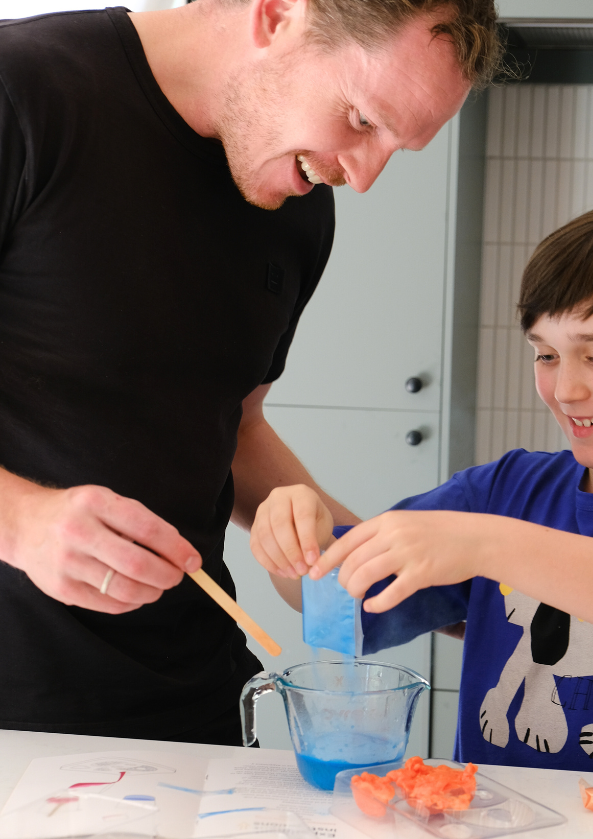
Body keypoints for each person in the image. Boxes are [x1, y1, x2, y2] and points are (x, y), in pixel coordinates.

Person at [0, 0, 500, 744]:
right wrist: (22, 522)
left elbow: (231, 425)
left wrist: (391, 571)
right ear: (276, 15)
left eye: (396, 147)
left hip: (197, 711)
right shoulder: (23, 93)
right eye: (362, 120)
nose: (361, 178)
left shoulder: (297, 206)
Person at [252, 199, 593, 779]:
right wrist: (294, 538)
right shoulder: (507, 489)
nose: (564, 389)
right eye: (546, 355)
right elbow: (340, 591)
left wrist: (486, 545)